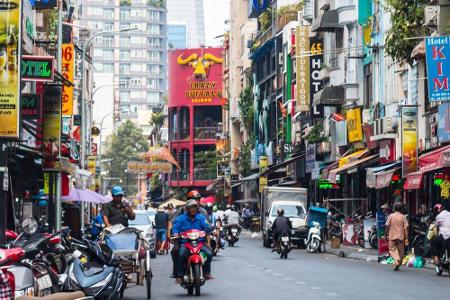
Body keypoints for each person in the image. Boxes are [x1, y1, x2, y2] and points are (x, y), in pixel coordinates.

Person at [172, 199, 213, 282]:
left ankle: (206, 272)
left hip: (200, 242)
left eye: (195, 207)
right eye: (191, 207)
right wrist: (175, 233)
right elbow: (175, 228)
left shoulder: (201, 218)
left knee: (209, 253)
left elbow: (207, 227)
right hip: (185, 243)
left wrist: (210, 230)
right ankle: (179, 274)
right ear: (187, 209)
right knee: (180, 253)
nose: (193, 209)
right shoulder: (180, 219)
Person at [385, 202, 409, 271]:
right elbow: (406, 228)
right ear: (401, 209)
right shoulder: (403, 217)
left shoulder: (391, 216)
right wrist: (406, 238)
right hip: (400, 237)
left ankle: (397, 261)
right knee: (401, 252)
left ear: (394, 208)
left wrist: (385, 234)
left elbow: (387, 226)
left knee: (392, 250)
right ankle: (398, 263)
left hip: (392, 237)